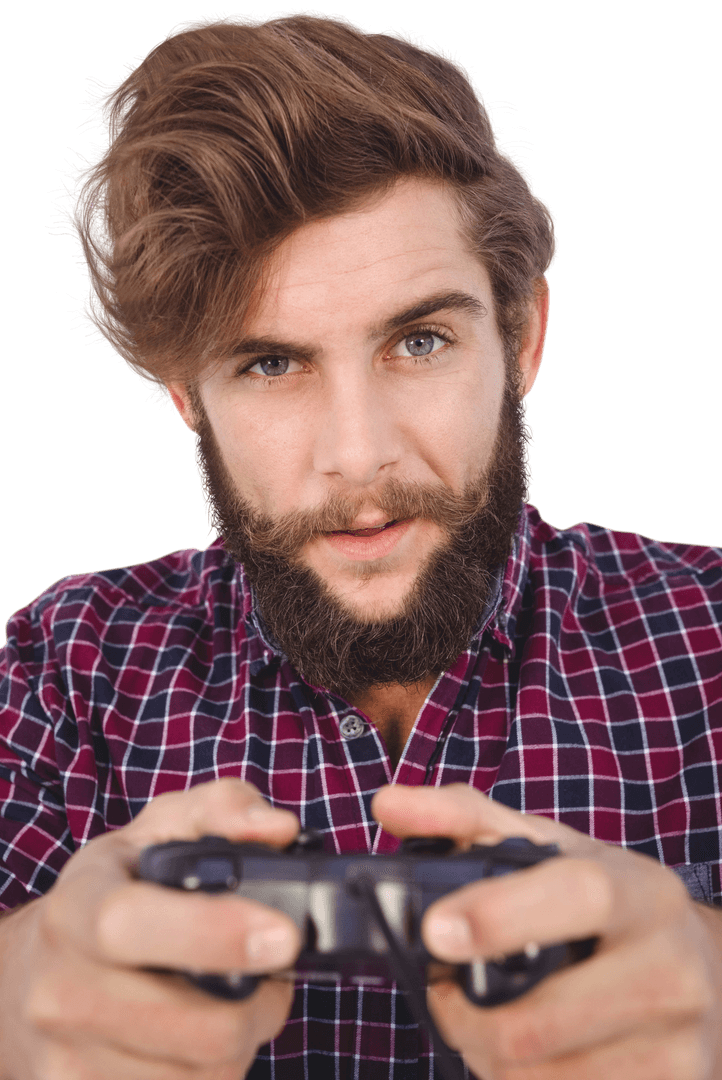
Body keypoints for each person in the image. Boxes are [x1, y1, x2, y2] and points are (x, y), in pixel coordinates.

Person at [1, 10, 720, 1079]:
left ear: (519, 337)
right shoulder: (63, 668)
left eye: (418, 341)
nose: (359, 455)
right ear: (184, 399)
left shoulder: (709, 641)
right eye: (268, 365)